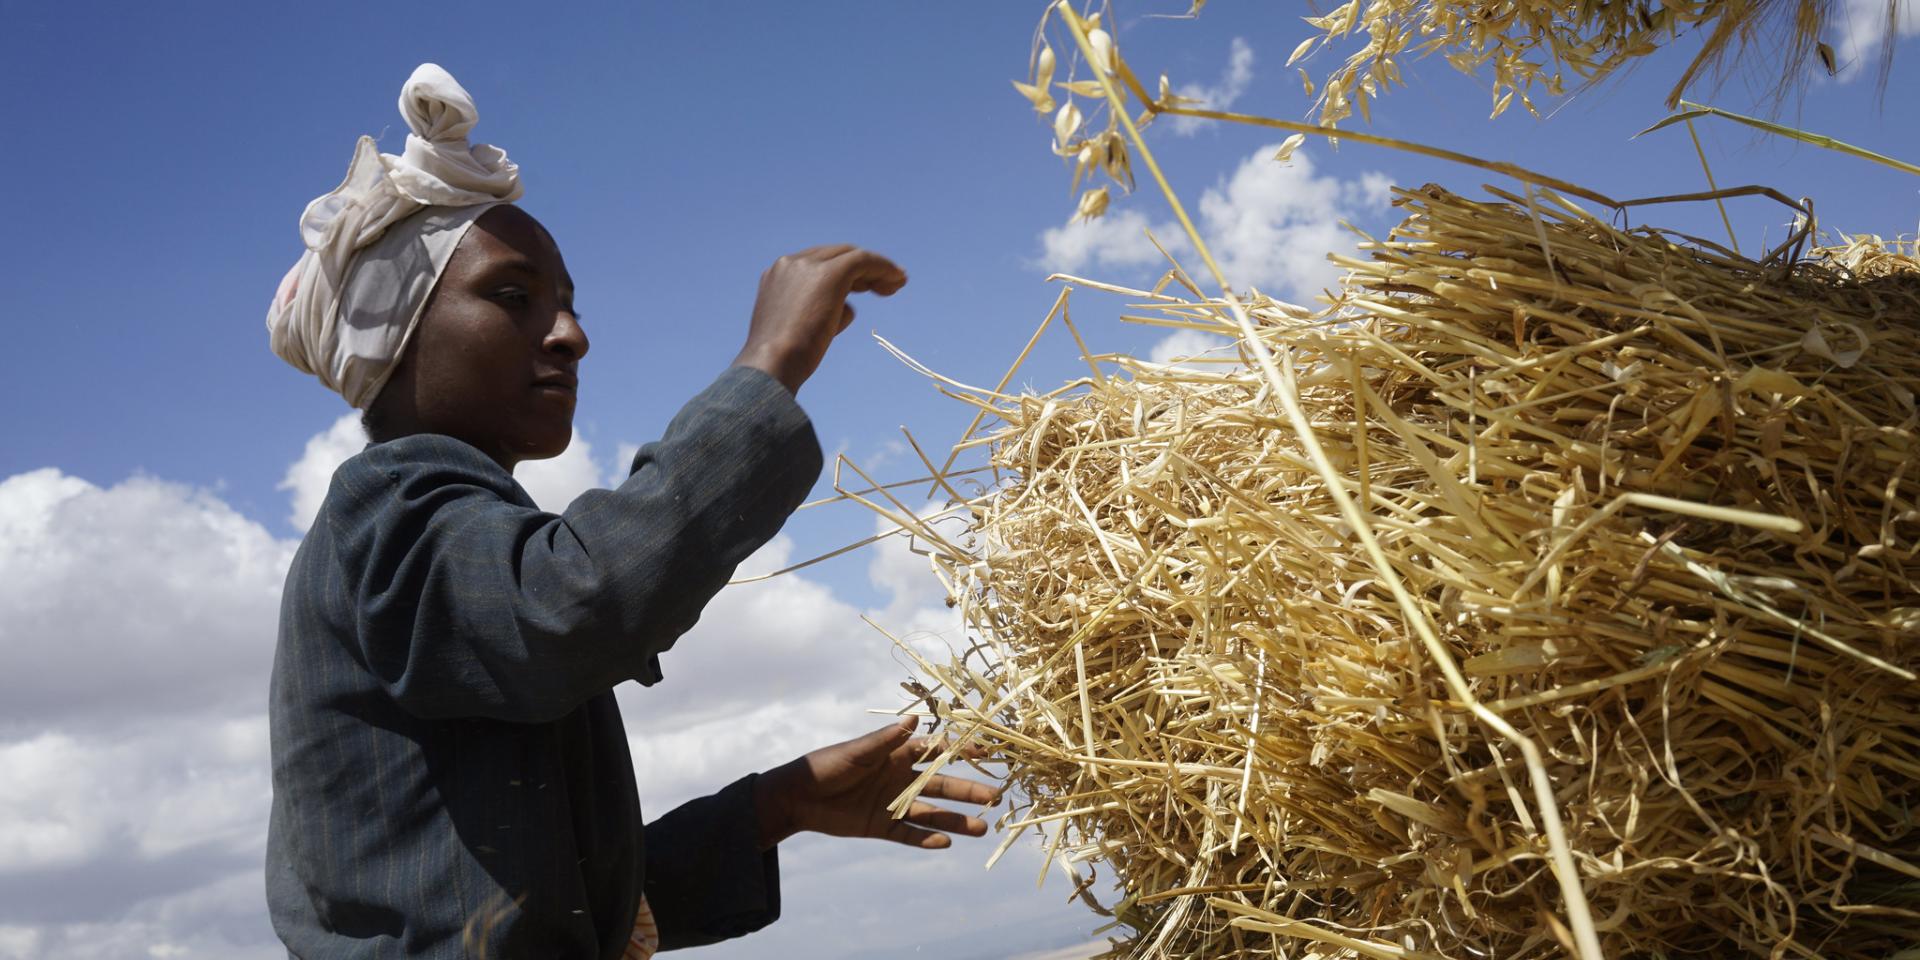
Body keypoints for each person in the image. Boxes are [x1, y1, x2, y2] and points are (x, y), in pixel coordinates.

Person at [263, 64, 994, 959]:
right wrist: (766, 370)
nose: (571, 334)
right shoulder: (388, 509)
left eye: (567, 304)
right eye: (512, 296)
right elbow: (569, 606)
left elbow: (561, 906)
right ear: (395, 338)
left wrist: (778, 805)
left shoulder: (454, 541)